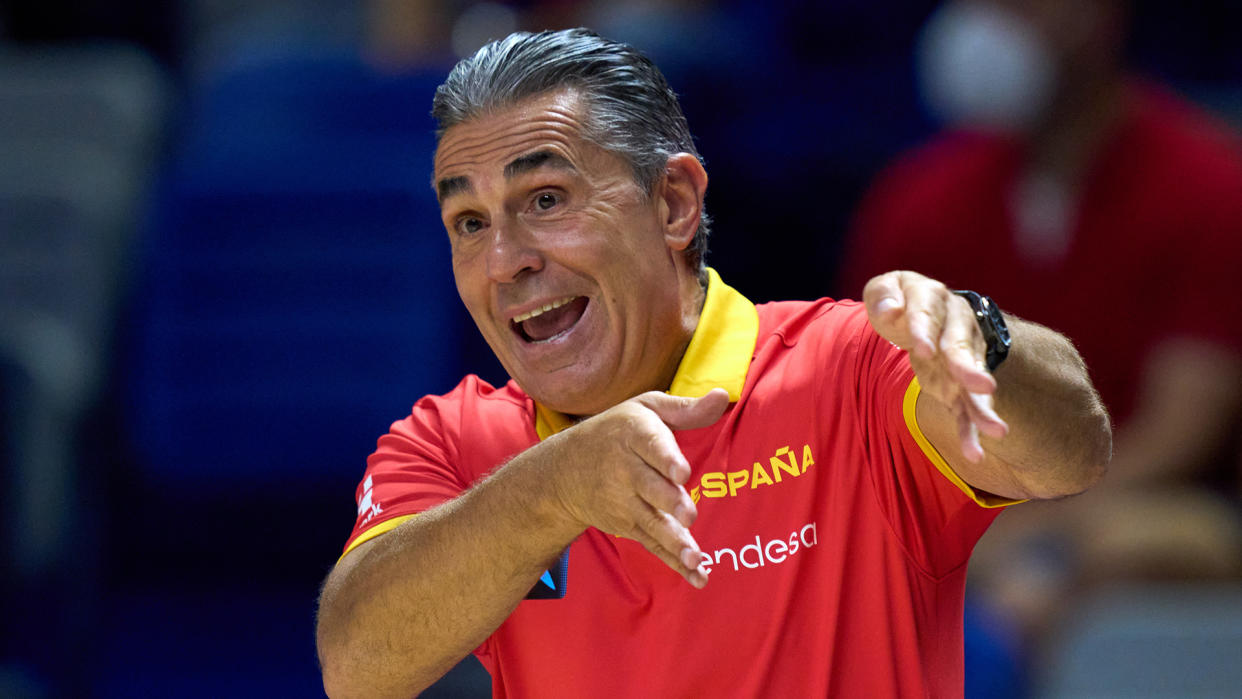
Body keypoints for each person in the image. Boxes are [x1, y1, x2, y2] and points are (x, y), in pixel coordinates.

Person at [314, 28, 1110, 698]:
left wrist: (984, 339)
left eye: (547, 199)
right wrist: (554, 487)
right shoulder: (454, 440)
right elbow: (358, 664)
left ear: (673, 205)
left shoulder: (847, 368)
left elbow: (1070, 454)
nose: (504, 260)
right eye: (469, 221)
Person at [839, 0, 1242, 651]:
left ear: (1101, 17)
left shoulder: (1211, 187)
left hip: (1134, 509)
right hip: (966, 511)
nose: (992, 23)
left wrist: (1032, 529)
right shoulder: (915, 202)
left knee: (1161, 539)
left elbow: (1178, 435)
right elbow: (873, 415)